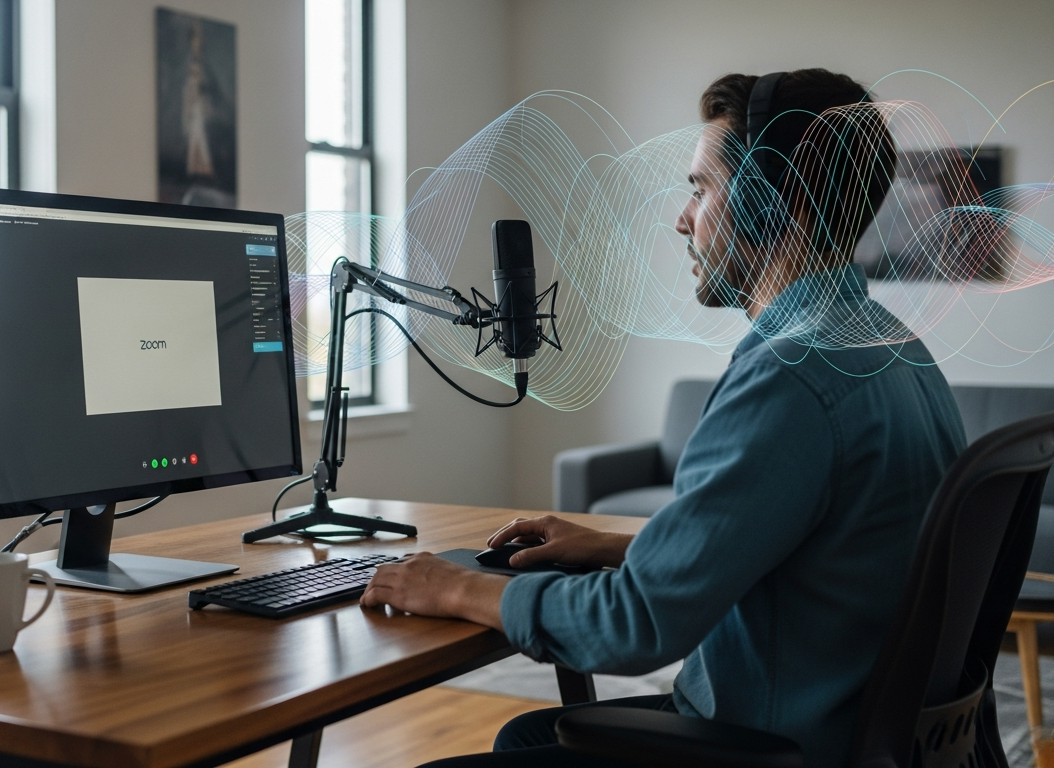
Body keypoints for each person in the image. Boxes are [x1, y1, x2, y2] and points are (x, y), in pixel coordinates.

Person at [361, 69, 967, 768]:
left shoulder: (793, 376)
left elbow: (639, 626)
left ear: (775, 201)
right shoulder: (892, 349)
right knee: (523, 738)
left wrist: (458, 587)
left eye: (701, 189)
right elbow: (808, 547)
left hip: (774, 744)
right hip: (845, 730)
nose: (683, 219)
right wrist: (617, 548)